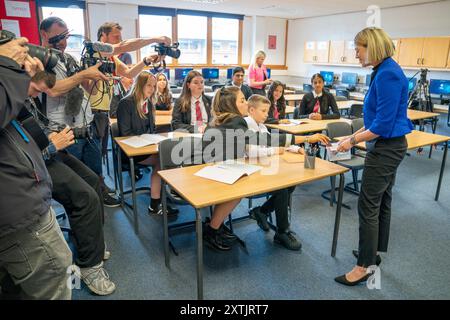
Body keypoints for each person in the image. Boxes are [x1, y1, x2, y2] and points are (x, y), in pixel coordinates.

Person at [202, 86, 330, 251]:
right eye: (241, 100)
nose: (245, 103)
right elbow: (263, 140)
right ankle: (212, 230)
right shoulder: (235, 121)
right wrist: (304, 138)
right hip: (218, 172)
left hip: (215, 167)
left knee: (280, 183)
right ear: (230, 105)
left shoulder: (221, 119)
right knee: (255, 187)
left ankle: (217, 226)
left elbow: (265, 139)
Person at [335, 27, 413, 286]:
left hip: (386, 148)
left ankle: (363, 266)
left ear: (373, 47)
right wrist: (350, 138)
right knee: (381, 201)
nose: (356, 55)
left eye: (358, 49)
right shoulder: (383, 70)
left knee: (368, 205)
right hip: (388, 144)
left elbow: (381, 125)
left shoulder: (388, 74)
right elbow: (375, 119)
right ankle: (373, 254)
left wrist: (352, 141)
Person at [26, 71, 116, 296]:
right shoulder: (8, 105)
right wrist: (52, 146)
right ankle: (89, 266)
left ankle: (89, 240)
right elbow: (19, 158)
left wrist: (55, 137)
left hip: (48, 151)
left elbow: (38, 127)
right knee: (84, 198)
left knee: (93, 181)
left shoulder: (25, 100)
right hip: (38, 162)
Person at [0, 37, 72, 299]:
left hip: (27, 194)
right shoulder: (8, 78)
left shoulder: (13, 89)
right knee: (57, 276)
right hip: (20, 213)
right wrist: (7, 65)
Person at [39, 16, 121, 208]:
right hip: (64, 131)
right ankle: (82, 213)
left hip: (86, 125)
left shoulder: (69, 58)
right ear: (44, 34)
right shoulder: (39, 59)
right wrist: (83, 74)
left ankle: (98, 200)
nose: (63, 42)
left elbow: (87, 88)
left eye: (65, 37)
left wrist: (96, 75)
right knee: (76, 185)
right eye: (58, 37)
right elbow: (54, 89)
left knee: (94, 173)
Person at [244, 95, 304, 249]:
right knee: (283, 188)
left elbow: (273, 142)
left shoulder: (262, 127)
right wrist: (273, 151)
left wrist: (295, 148)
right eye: (263, 111)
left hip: (262, 168)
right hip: (248, 171)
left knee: (291, 184)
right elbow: (250, 151)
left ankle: (262, 211)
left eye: (267, 111)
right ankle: (282, 232)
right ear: (251, 110)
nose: (266, 114)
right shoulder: (245, 125)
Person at [117, 71, 178, 215]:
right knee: (162, 160)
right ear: (139, 85)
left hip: (147, 147)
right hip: (131, 150)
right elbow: (125, 135)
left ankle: (163, 196)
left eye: (154, 86)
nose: (152, 89)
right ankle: (155, 204)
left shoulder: (149, 103)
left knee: (170, 154)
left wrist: (152, 140)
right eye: (148, 85)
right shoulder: (126, 103)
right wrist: (147, 140)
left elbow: (152, 130)